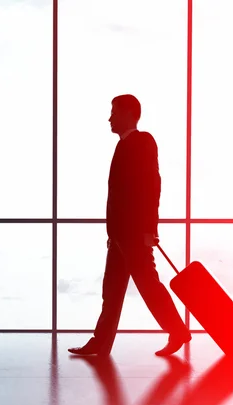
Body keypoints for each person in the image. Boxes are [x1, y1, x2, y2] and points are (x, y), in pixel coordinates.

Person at [68, 94, 191, 357]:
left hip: (134, 234)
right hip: (120, 236)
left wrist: (150, 229)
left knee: (147, 285)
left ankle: (178, 331)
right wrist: (112, 235)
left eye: (114, 112)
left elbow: (152, 186)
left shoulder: (142, 141)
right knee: (112, 291)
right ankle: (101, 343)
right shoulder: (123, 145)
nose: (110, 117)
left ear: (128, 114)